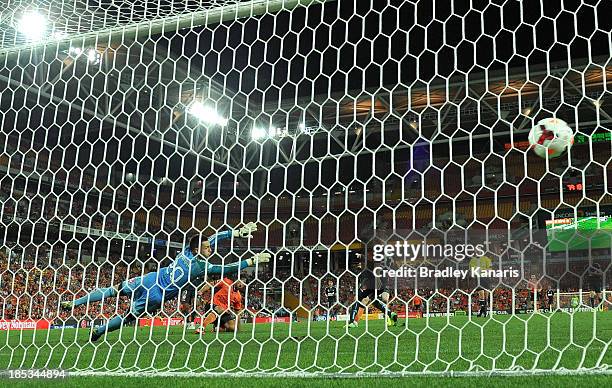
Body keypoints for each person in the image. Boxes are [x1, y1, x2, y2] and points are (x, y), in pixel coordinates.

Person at [62, 223, 270, 342]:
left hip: (150, 278)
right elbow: (226, 268)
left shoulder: (187, 251)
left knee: (113, 290)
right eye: (207, 248)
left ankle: (75, 303)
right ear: (198, 249)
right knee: (127, 317)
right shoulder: (201, 266)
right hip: (157, 293)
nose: (210, 250)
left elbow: (212, 238)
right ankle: (98, 331)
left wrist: (235, 233)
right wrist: (249, 261)